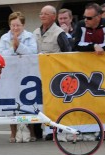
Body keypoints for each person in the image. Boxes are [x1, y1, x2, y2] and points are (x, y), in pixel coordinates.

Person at [75, 3, 105, 140]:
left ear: (98, 17)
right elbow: (76, 45)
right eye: (85, 17)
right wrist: (94, 46)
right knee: (87, 99)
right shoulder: (80, 25)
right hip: (84, 69)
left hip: (104, 69)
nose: (86, 20)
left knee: (104, 99)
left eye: (89, 18)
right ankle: (88, 128)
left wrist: (96, 47)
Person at [33, 5, 72, 141]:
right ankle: (41, 131)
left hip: (55, 76)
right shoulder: (36, 32)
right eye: (41, 13)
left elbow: (67, 54)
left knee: (55, 105)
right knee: (41, 104)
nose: (42, 16)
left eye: (46, 14)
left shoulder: (59, 33)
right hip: (38, 75)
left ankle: (56, 130)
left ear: (53, 17)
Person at [0, 11, 38, 143]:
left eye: (18, 25)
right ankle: (13, 130)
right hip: (11, 73)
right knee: (12, 102)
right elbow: (1, 54)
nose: (15, 28)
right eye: (13, 25)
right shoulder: (4, 38)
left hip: (26, 73)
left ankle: (30, 129)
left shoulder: (29, 36)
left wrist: (19, 46)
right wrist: (13, 48)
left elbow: (33, 52)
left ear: (23, 25)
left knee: (28, 101)